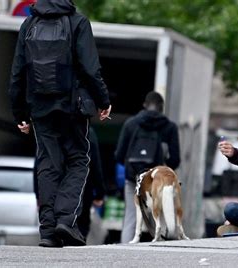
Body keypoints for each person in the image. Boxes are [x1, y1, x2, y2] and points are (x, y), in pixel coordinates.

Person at [9, 0, 111, 247]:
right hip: (73, 107)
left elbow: (17, 72)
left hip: (40, 107)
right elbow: (90, 68)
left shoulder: (29, 24)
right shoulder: (78, 22)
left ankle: (47, 230)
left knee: (47, 163)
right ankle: (65, 219)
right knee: (78, 159)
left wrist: (20, 113)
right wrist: (103, 100)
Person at [115, 91, 180, 243]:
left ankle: (125, 252)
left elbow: (119, 155)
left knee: (131, 216)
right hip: (158, 180)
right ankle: (160, 254)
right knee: (161, 217)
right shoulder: (169, 127)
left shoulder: (130, 124)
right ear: (161, 107)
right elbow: (175, 160)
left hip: (134, 179)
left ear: (144, 105)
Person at [76, 127, 106, 239]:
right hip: (84, 185)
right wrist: (100, 192)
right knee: (82, 224)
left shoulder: (53, 128)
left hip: (57, 186)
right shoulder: (88, 131)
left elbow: (41, 161)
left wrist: (39, 194)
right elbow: (95, 163)